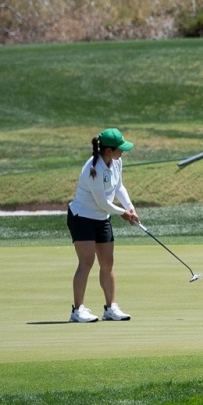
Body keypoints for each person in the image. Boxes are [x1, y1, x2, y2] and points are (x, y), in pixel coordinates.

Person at [67, 127, 140, 321]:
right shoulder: (93, 168)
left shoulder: (116, 161)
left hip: (101, 218)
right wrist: (123, 213)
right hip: (82, 217)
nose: (122, 151)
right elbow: (102, 203)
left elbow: (119, 187)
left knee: (107, 263)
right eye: (120, 148)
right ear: (108, 151)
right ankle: (77, 310)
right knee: (87, 262)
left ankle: (110, 308)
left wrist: (130, 208)